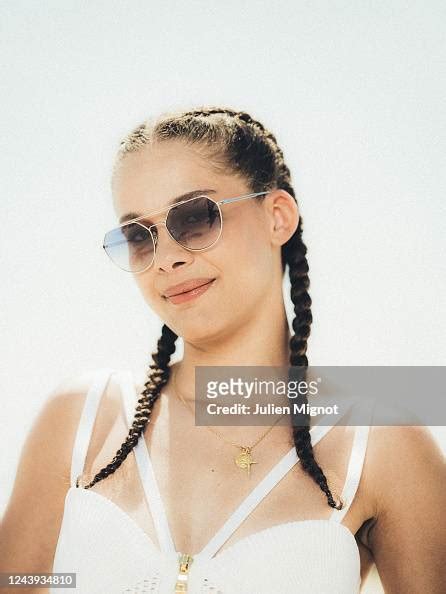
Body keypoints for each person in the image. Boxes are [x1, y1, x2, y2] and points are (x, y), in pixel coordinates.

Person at [0, 107, 444, 594]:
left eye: (194, 218)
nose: (167, 257)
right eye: (138, 236)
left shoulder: (379, 442)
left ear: (278, 217)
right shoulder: (83, 420)